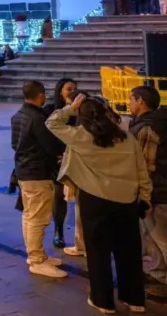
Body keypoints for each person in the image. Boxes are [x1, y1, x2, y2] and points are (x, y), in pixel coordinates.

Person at [47, 93, 150, 313]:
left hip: (95, 199)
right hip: (126, 200)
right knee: (129, 251)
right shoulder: (126, 137)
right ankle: (134, 299)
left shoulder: (80, 136)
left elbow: (52, 122)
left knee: (98, 252)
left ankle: (103, 301)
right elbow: (141, 171)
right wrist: (145, 197)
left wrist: (70, 108)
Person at [11, 80, 67, 278]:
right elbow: (52, 146)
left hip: (24, 171)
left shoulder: (18, 115)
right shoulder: (37, 118)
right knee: (37, 218)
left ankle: (36, 254)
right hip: (37, 173)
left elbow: (14, 144)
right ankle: (37, 260)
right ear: (41, 95)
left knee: (29, 216)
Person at [127, 85, 167, 297]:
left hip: (157, 192)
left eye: (131, 99)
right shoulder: (154, 122)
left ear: (140, 101)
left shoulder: (147, 128)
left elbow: (145, 166)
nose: (129, 103)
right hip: (158, 189)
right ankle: (158, 273)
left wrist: (145, 197)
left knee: (161, 238)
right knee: (151, 236)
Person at [46, 78, 85, 256]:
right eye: (68, 89)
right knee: (59, 196)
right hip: (58, 160)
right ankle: (58, 231)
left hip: (77, 160)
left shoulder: (82, 111)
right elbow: (47, 132)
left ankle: (82, 239)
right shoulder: (51, 110)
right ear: (60, 92)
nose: (72, 92)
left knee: (81, 201)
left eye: (75, 89)